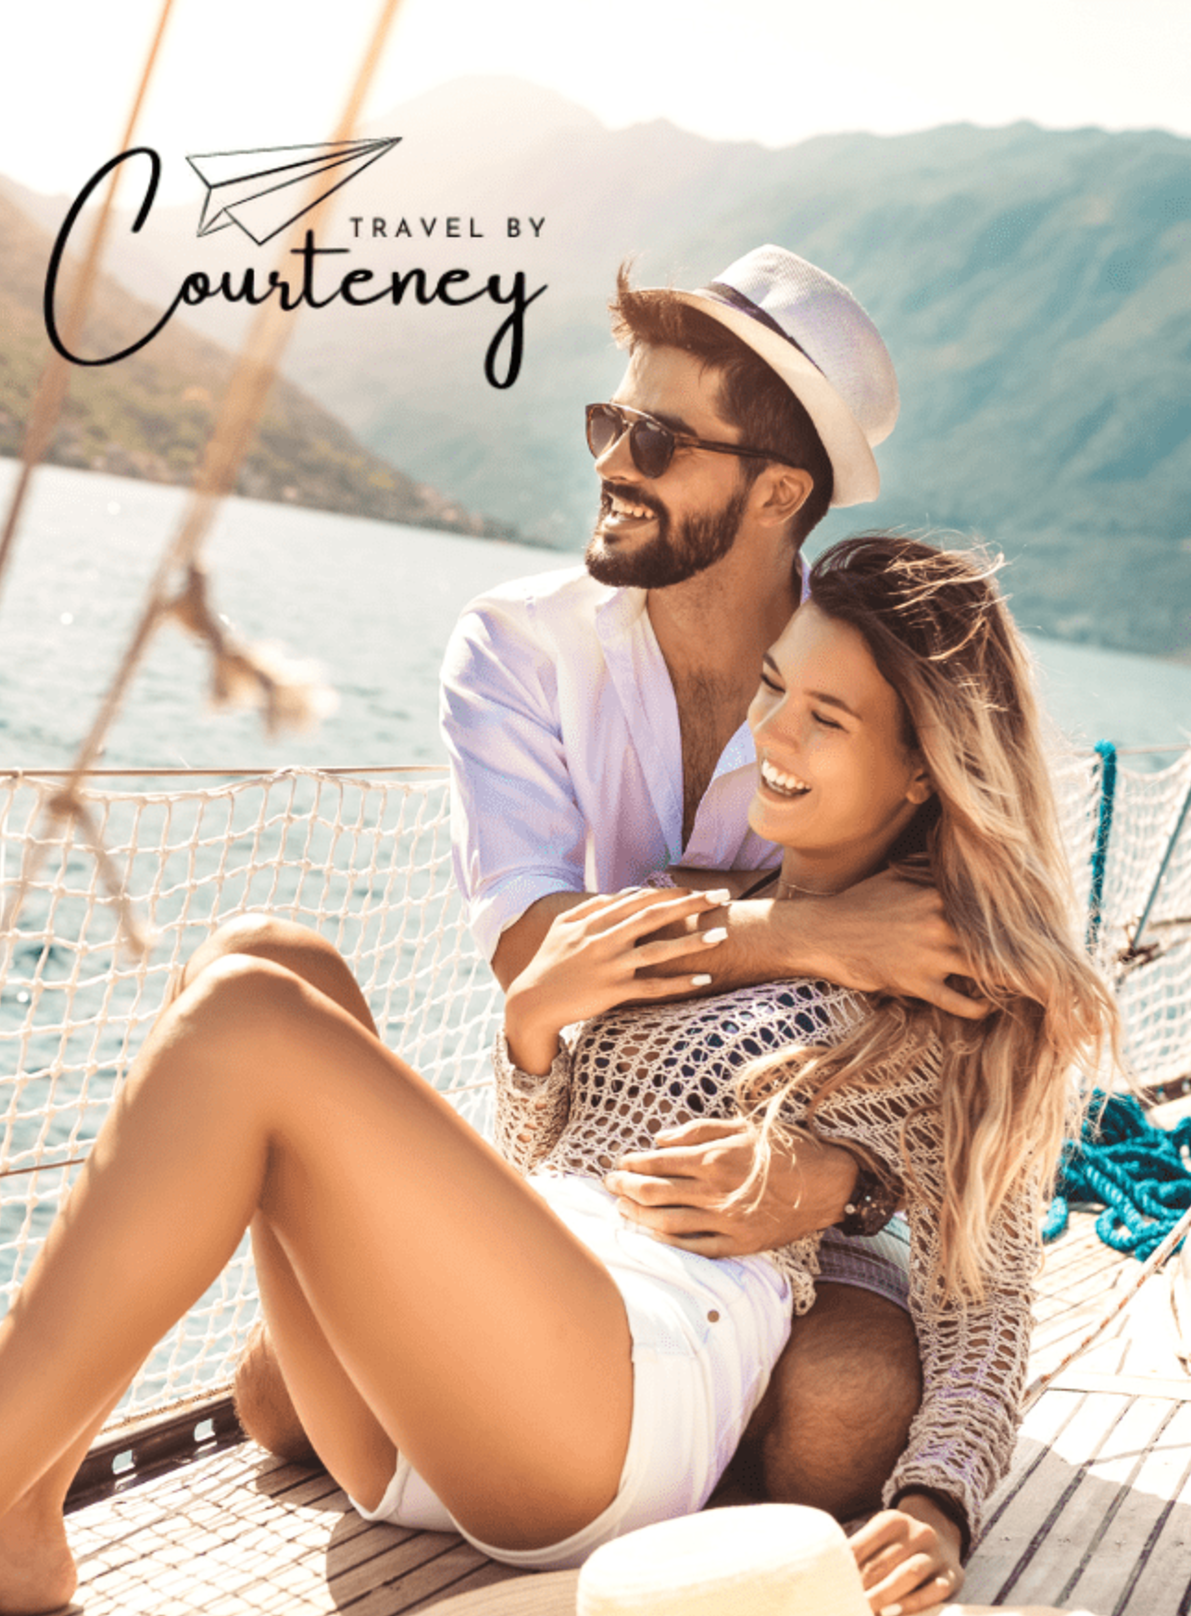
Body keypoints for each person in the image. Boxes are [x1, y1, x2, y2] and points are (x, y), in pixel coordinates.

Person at [0, 533, 1115, 1616]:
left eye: (827, 716)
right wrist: (534, 1024)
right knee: (270, 957)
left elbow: (987, 1300)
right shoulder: (683, 900)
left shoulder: (961, 1000)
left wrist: (936, 1499)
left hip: (635, 1393)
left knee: (251, 1024)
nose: (768, 737)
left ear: (928, 771)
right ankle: (20, 1510)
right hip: (492, 1378)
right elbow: (550, 1138)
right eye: (772, 689)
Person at [237, 245, 982, 1520]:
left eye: (655, 437)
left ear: (775, 491)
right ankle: (622, 1423)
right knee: (272, 1400)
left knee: (844, 1404)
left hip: (817, 1166)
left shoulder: (869, 679)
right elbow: (535, 951)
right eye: (608, 420)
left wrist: (847, 1180)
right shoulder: (517, 644)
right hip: (592, 1128)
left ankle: (642, 1445)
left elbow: (949, 1006)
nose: (609, 460)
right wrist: (811, 928)